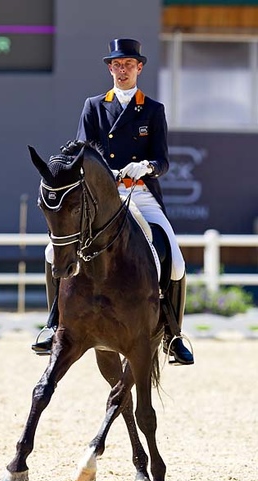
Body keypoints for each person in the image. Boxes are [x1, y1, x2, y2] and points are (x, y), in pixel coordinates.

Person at [32, 38, 193, 366]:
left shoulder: (152, 109)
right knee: (53, 251)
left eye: (128, 65)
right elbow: (80, 150)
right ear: (110, 68)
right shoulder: (93, 105)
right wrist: (106, 172)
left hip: (141, 193)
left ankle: (174, 335)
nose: (122, 70)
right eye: (117, 65)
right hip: (103, 195)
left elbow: (162, 160)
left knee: (175, 260)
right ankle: (53, 324)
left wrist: (146, 166)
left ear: (139, 68)